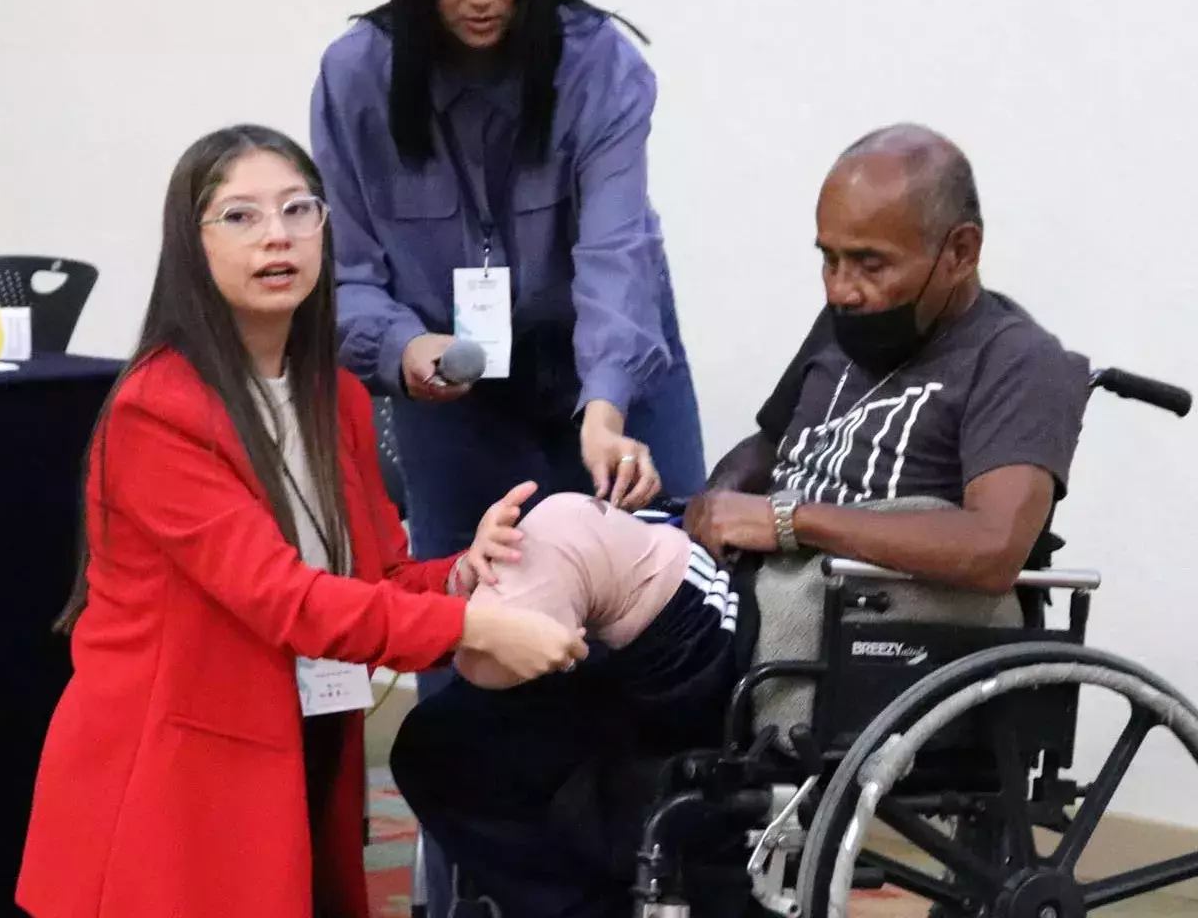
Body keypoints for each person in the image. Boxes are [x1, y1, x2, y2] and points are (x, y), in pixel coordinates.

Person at [389, 123, 1093, 916]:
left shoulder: (1019, 362)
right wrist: (701, 508)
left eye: (871, 264)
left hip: (825, 629)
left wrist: (788, 521)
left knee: (563, 529)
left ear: (960, 250)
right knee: (444, 744)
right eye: (828, 257)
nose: (841, 287)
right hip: (737, 600)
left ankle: (505, 617)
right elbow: (766, 445)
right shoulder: (844, 332)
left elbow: (995, 547)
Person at [13, 124, 591, 918]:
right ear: (193, 243)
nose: (276, 236)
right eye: (240, 216)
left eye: (297, 209)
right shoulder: (159, 410)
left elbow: (374, 578)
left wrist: (462, 569)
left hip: (300, 747)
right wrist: (471, 628)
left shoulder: (335, 395)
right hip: (172, 771)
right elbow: (286, 600)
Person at [310, 0, 707, 904]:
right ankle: (484, 893)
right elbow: (345, 273)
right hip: (455, 395)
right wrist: (407, 348)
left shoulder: (598, 63)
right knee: (471, 645)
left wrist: (608, 407)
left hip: (607, 385)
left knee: (665, 640)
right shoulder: (355, 77)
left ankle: (668, 884)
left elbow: (617, 255)